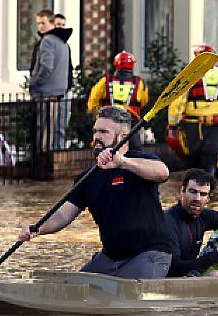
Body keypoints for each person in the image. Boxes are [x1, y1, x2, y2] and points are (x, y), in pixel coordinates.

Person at [18, 107, 173, 279]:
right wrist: (38, 228)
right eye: (95, 131)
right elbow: (63, 214)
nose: (96, 137)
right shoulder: (87, 177)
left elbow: (162, 173)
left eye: (103, 132)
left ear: (123, 135)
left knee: (131, 300)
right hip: (110, 257)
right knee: (74, 289)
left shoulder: (139, 160)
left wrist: (122, 162)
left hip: (148, 254)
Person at [168, 44, 218, 176]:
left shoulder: (190, 73)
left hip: (194, 121)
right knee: (212, 154)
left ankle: (194, 182)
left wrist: (173, 124)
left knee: (194, 154)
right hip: (217, 120)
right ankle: (209, 183)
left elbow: (179, 99)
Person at [88, 50, 148, 150]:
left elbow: (93, 102)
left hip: (108, 121)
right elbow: (143, 101)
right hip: (130, 122)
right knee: (136, 149)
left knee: (103, 148)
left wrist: (99, 116)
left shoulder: (105, 81)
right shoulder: (138, 82)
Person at [29, 9, 71, 151]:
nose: (40, 26)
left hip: (47, 91)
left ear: (52, 23)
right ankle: (53, 158)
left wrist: (34, 82)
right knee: (56, 130)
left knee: (45, 129)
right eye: (38, 23)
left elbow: (46, 66)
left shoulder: (47, 41)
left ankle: (44, 162)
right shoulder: (63, 42)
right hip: (60, 91)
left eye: (43, 23)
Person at [53, 12, 74, 149]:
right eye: (58, 25)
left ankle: (59, 150)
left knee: (62, 125)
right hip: (53, 91)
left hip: (65, 90)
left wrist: (69, 85)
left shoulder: (66, 46)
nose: (60, 28)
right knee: (49, 126)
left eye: (63, 25)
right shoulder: (47, 44)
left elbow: (69, 68)